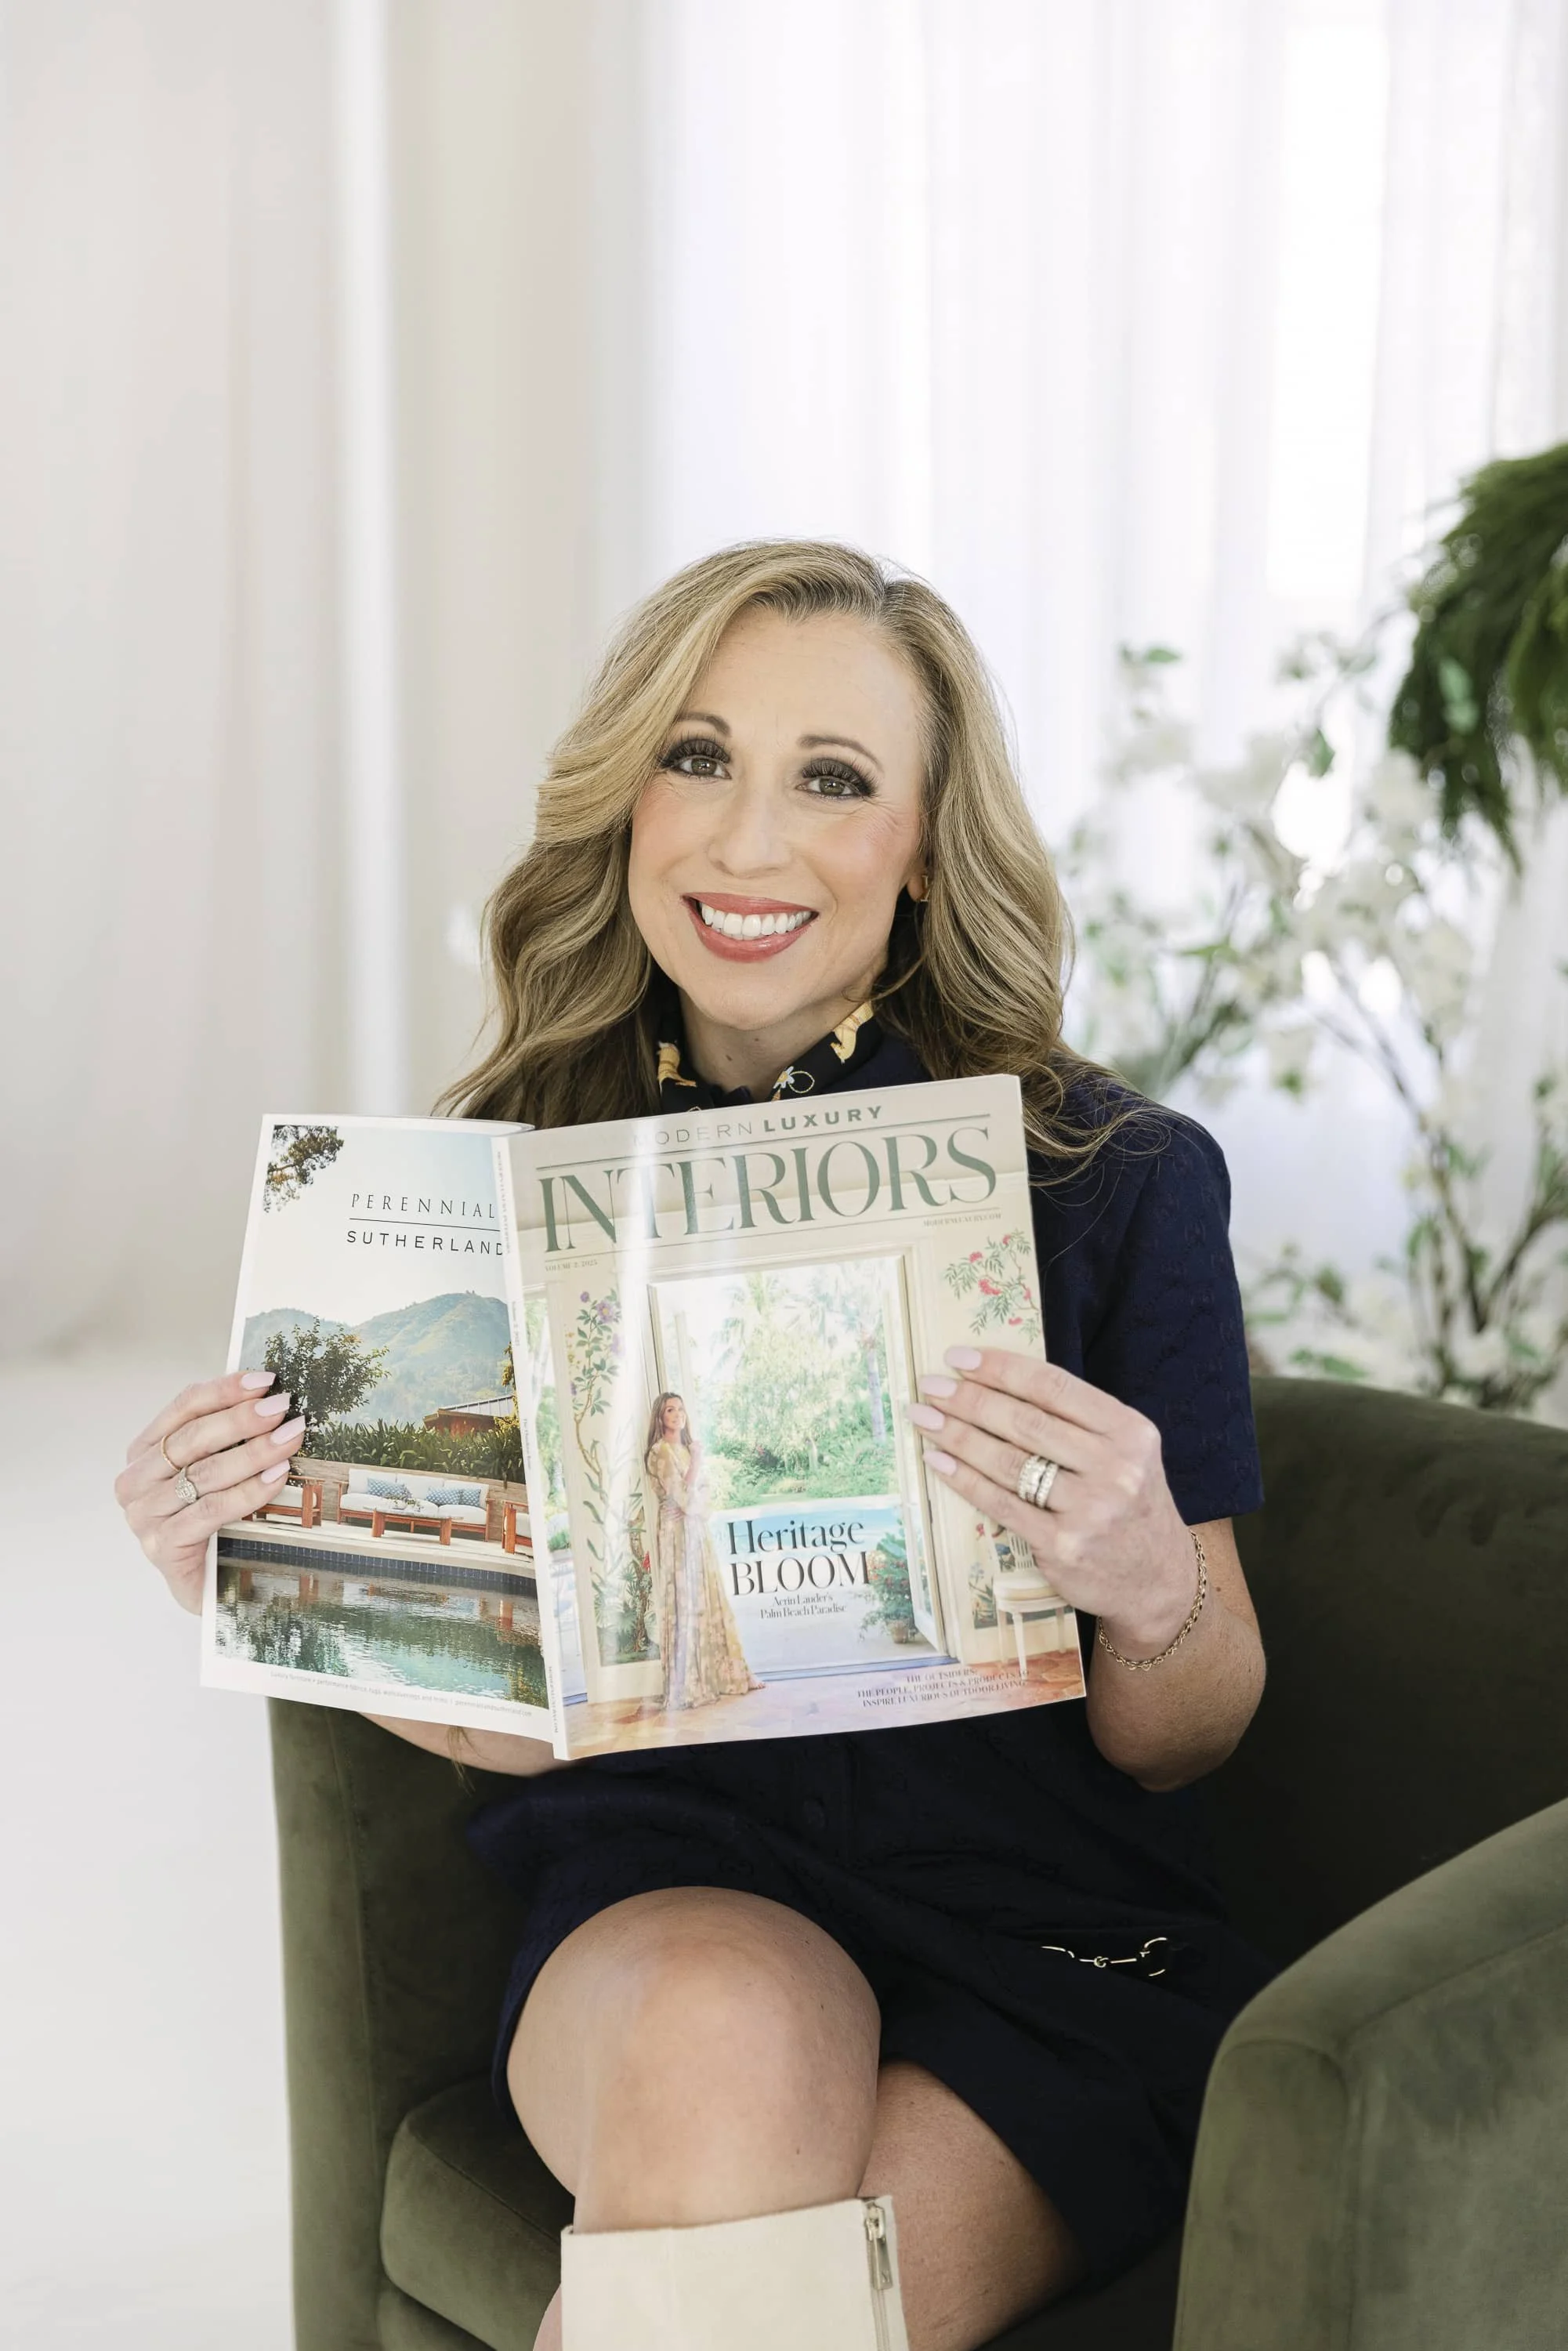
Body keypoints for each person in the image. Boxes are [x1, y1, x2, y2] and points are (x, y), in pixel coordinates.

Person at [116, 542, 1270, 2351]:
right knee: (723, 2046)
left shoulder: (1108, 1180)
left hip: (1044, 1948)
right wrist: (284, 1572)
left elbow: (1187, 1725)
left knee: (741, 2314)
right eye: (695, 755)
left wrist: (1144, 1586)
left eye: (831, 778)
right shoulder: (485, 1175)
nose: (745, 840)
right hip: (664, 1900)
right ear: (622, 799)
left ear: (918, 839)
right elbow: (514, 1708)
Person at [643, 1389, 762, 1711]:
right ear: (660, 1417)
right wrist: (695, 1463)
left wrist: (691, 1496)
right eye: (670, 1410)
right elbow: (681, 1495)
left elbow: (701, 1493)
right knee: (686, 1601)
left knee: (709, 1596)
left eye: (681, 1409)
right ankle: (690, 1682)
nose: (678, 1414)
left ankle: (727, 1674)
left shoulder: (683, 1448)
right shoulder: (662, 1451)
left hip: (695, 1530)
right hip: (676, 1535)